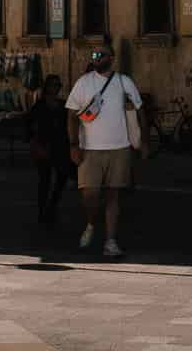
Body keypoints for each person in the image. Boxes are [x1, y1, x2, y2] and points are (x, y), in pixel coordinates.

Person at [65, 46, 145, 259]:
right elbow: (72, 116)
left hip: (119, 147)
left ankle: (110, 241)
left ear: (112, 58)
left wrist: (142, 139)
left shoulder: (123, 81)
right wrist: (73, 144)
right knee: (90, 194)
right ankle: (91, 223)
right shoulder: (83, 82)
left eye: (101, 55)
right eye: (94, 55)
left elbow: (139, 109)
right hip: (89, 149)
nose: (97, 58)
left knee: (113, 195)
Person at [27, 75, 74, 225]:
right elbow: (29, 125)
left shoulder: (63, 105)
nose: (55, 88)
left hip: (60, 147)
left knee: (62, 179)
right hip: (44, 147)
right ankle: (42, 212)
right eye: (52, 85)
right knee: (45, 181)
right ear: (47, 87)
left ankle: (52, 206)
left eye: (57, 85)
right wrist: (34, 142)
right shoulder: (39, 106)